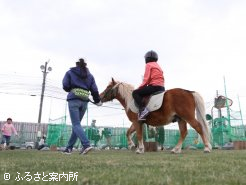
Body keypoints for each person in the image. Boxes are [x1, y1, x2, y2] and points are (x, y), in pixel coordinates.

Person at [62, 58, 102, 155]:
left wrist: (71, 88)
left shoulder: (70, 73)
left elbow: (65, 85)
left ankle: (86, 145)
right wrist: (97, 101)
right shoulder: (90, 76)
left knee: (76, 125)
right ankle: (69, 148)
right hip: (84, 101)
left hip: (73, 99)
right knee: (77, 125)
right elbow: (95, 90)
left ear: (76, 65)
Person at [132, 50, 165, 120]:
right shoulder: (158, 66)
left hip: (154, 87)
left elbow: (146, 79)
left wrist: (139, 88)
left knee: (135, 93)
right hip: (162, 87)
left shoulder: (148, 65)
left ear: (148, 58)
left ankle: (143, 110)